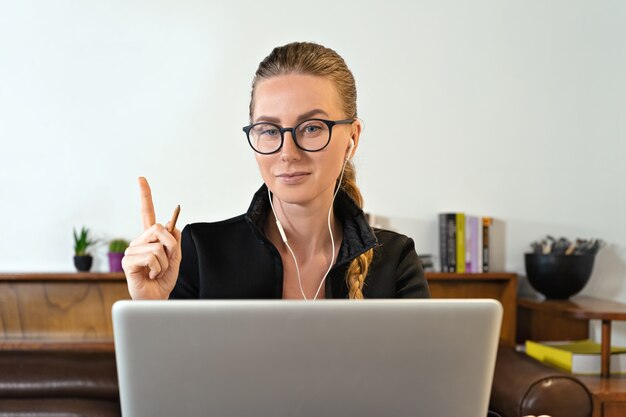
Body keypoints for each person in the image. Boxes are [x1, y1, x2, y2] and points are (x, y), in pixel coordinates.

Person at [122, 41, 430, 301]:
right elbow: (174, 373)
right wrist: (153, 307)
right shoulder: (201, 252)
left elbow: (422, 373)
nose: (287, 153)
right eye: (269, 130)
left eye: (311, 127)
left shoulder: (396, 259)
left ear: (352, 137)